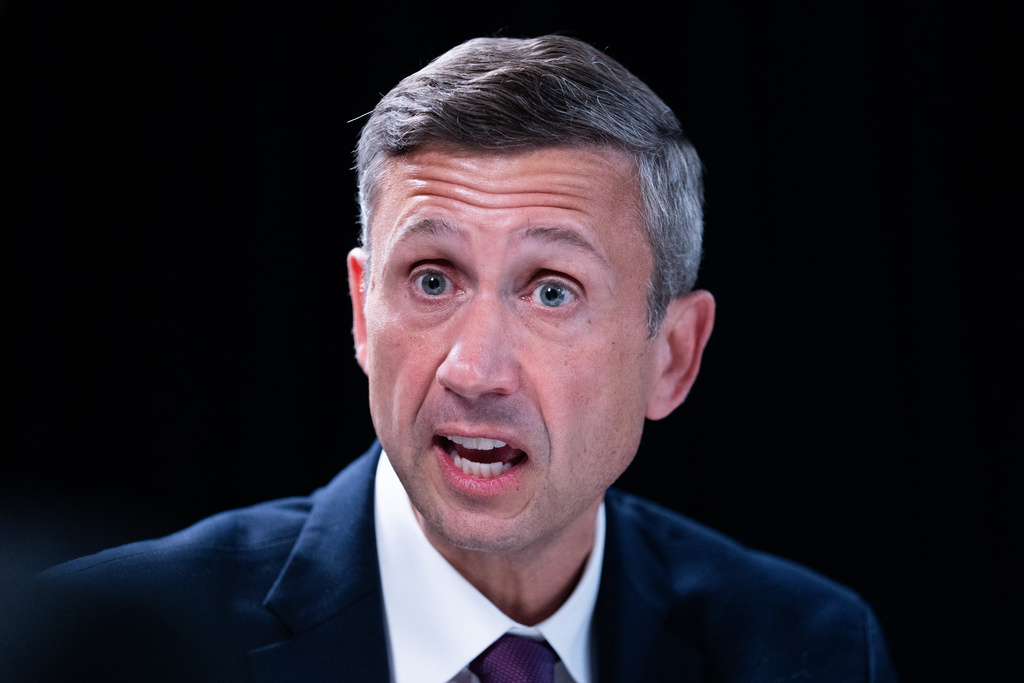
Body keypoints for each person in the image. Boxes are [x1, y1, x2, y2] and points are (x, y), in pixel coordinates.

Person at [36, 35, 896, 682]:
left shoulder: (809, 645)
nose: (474, 371)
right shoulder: (111, 641)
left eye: (551, 289)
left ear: (673, 355)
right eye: (433, 279)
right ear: (361, 314)